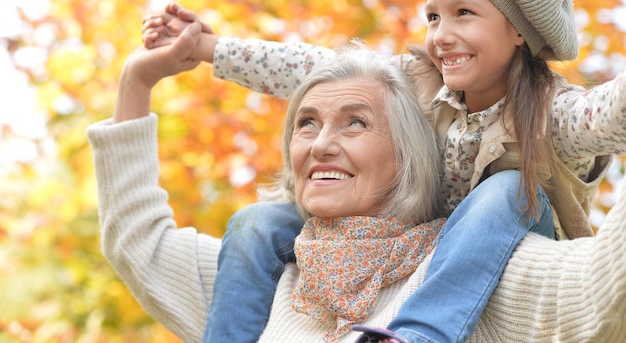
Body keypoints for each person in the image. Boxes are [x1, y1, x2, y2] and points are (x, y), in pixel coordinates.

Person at [141, 0, 625, 342]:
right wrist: (210, 47)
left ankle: (417, 333)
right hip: (418, 240)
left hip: (507, 238)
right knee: (257, 222)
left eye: (464, 14)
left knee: (506, 190)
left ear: (519, 27)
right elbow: (310, 67)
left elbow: (610, 112)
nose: (441, 34)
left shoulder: (553, 113)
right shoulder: (419, 81)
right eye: (434, 17)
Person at [88, 30, 626, 343]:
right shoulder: (260, 275)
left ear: (410, 154)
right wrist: (137, 80)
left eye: (355, 122)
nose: (320, 144)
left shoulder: (483, 268)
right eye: (306, 123)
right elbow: (137, 239)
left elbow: (609, 295)